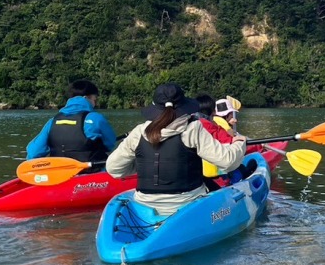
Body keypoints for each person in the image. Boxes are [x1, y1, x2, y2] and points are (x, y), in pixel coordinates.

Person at [106, 83, 247, 216]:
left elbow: (114, 169)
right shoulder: (192, 129)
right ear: (184, 106)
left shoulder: (138, 132)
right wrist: (239, 144)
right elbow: (228, 162)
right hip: (188, 206)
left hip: (144, 206)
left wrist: (145, 165)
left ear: (154, 107)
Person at [25, 79, 118, 168]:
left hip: (60, 175)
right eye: (94, 99)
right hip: (91, 173)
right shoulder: (95, 118)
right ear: (86, 98)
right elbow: (109, 144)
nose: (95, 103)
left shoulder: (52, 121)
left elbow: (34, 152)